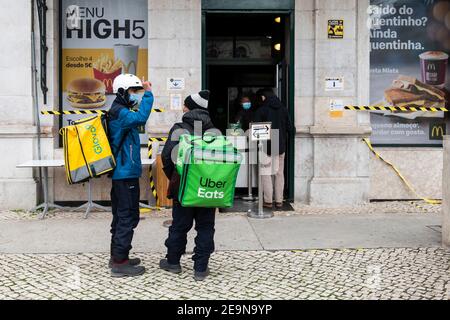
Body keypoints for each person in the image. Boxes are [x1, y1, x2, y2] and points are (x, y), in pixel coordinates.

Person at [160, 90, 218, 281]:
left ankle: (173, 262)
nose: (183, 107)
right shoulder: (214, 131)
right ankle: (201, 268)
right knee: (206, 226)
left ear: (191, 107)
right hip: (207, 187)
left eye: (186, 104)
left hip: (184, 188)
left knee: (179, 225)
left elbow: (167, 157)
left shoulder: (179, 128)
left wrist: (176, 178)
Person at [108, 74, 153, 277]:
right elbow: (141, 118)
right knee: (127, 216)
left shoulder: (120, 110)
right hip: (125, 174)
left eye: (138, 92)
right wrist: (149, 94)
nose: (136, 95)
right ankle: (120, 262)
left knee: (121, 216)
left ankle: (118, 255)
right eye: (134, 91)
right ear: (122, 92)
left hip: (123, 173)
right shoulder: (122, 113)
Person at [253, 88, 295, 209]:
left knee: (266, 174)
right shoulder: (283, 109)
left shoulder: (262, 110)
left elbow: (256, 128)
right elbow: (290, 128)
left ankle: (268, 201)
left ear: (263, 97)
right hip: (280, 145)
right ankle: (279, 201)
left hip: (266, 145)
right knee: (279, 174)